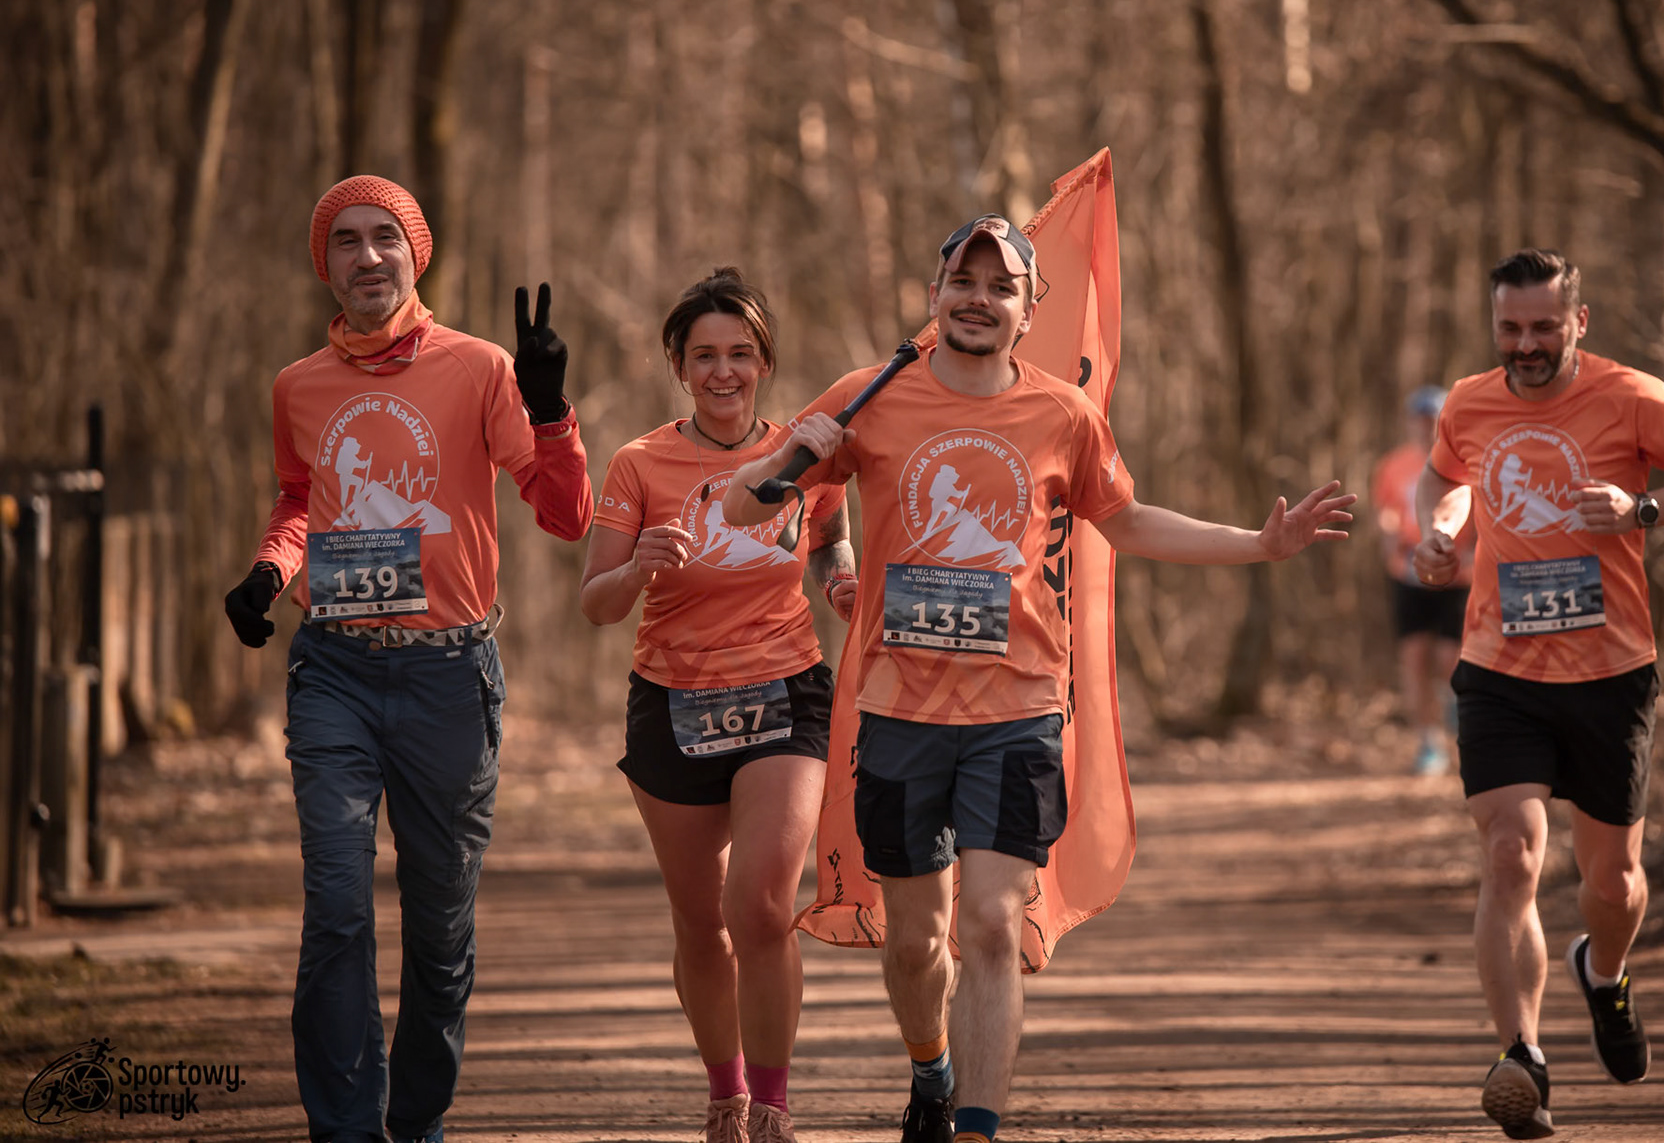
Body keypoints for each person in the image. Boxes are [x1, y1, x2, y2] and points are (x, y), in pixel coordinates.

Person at [722, 215, 1357, 1143]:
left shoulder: (1064, 413)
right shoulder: (871, 395)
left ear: (1027, 312)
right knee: (915, 943)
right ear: (934, 296)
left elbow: (1128, 521)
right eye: (963, 282)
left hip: (1018, 710)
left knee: (989, 924)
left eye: (1001, 287)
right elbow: (743, 510)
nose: (979, 300)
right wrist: (792, 455)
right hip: (900, 710)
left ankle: (976, 1131)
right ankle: (932, 1070)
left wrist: (1258, 545)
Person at [222, 175, 593, 1143]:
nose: (368, 256)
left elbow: (565, 516)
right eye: (345, 241)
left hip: (447, 678)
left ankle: (416, 1117)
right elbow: (300, 499)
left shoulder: (477, 367)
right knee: (337, 907)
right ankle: (346, 1129)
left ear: (416, 254)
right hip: (335, 670)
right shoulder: (298, 385)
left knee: (439, 922)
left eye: (386, 236)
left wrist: (549, 409)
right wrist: (268, 572)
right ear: (325, 264)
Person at [1411, 249, 1664, 1140]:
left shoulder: (1631, 395)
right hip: (1500, 672)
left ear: (1579, 322)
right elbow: (1444, 478)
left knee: (1615, 881)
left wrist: (1644, 510)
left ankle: (1603, 973)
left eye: (1543, 328)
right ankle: (1520, 1058)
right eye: (1509, 329)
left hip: (1611, 674)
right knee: (1511, 854)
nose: (1525, 345)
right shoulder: (1469, 401)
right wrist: (1439, 531)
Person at [578, 269, 856, 1143]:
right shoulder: (638, 464)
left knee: (761, 906)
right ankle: (726, 1093)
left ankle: (773, 1107)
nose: (723, 372)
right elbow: (596, 603)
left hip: (786, 692)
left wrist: (840, 582)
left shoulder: (807, 451)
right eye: (704, 356)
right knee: (703, 926)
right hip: (673, 702)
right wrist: (637, 568)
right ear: (678, 365)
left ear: (764, 361)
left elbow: (828, 541)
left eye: (740, 353)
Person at [1371, 385, 1470, 775]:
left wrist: (1472, 554)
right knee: (1414, 658)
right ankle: (1429, 744)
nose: (1427, 426)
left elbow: (1482, 513)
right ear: (1411, 422)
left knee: (1450, 658)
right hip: (1410, 572)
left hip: (1458, 573)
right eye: (1421, 419)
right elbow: (1387, 512)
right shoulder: (1393, 465)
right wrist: (1390, 541)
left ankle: (1454, 703)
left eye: (1434, 419)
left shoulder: (1466, 461)